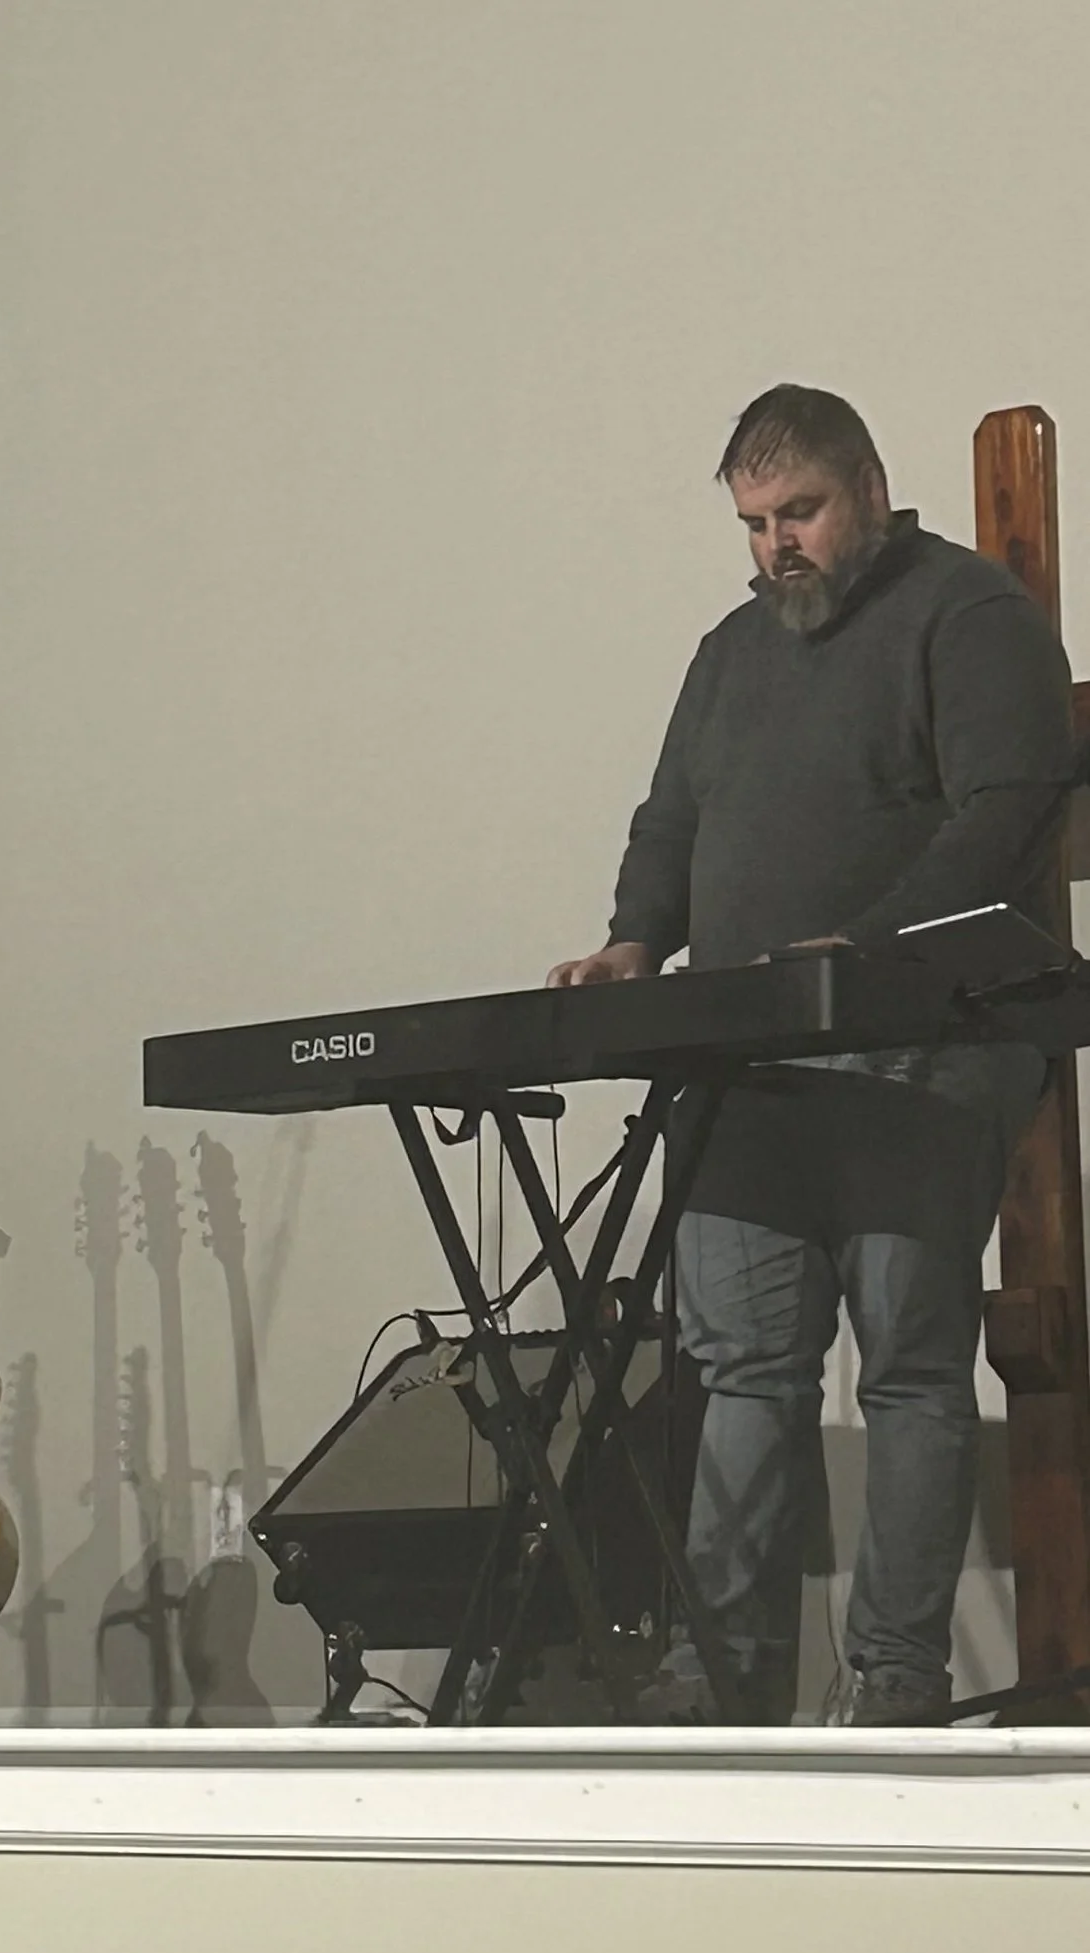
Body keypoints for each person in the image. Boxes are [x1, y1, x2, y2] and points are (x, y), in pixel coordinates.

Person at [550, 384, 1075, 1725]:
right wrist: (633, 942)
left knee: (906, 1364)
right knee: (742, 1374)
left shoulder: (968, 616)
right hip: (751, 1064)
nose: (777, 543)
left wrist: (866, 946)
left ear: (873, 490)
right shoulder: (730, 652)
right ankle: (719, 1676)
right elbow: (670, 817)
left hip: (918, 1051)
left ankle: (895, 1678)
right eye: (754, 522)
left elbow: (1008, 808)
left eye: (801, 512)